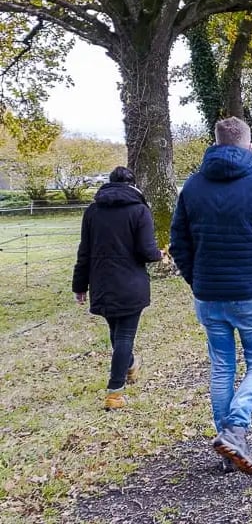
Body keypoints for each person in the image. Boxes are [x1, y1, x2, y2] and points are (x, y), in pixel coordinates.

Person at [170, 116, 252, 475]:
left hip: (209, 294)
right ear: (248, 145)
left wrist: (198, 281)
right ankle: (236, 429)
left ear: (217, 143)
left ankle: (228, 450)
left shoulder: (192, 187)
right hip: (251, 292)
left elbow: (179, 243)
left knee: (222, 366)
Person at [72, 166, 163, 411]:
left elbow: (84, 251)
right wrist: (160, 254)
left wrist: (79, 285)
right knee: (123, 337)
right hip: (130, 283)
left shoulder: (92, 211)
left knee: (116, 334)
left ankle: (130, 366)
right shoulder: (140, 210)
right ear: (133, 185)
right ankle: (115, 392)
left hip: (101, 282)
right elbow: (146, 250)